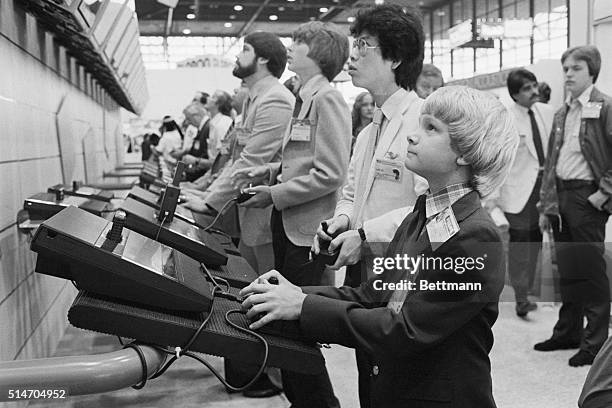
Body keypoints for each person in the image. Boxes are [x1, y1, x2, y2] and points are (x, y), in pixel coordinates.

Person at [240, 85, 519, 408]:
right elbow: (372, 296)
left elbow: (405, 329)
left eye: (431, 129)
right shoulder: (421, 214)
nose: (413, 136)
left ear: (466, 152)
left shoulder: (475, 238)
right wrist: (298, 294)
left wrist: (303, 307)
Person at [309, 5, 427, 407]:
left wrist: (365, 235)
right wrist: (341, 222)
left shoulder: (421, 122)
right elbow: (351, 192)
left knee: (396, 373)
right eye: (353, 44)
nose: (352, 55)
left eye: (363, 45)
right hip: (363, 263)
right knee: (369, 372)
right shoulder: (369, 129)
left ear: (395, 57)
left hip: (401, 265)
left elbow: (426, 208)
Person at [233, 20, 350, 408]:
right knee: (285, 324)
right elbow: (299, 160)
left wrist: (274, 193)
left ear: (317, 55)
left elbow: (331, 173)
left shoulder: (328, 99)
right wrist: (267, 173)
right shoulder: (303, 97)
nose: (292, 50)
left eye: (299, 44)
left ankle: (319, 403)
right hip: (286, 223)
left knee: (299, 327)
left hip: (305, 231)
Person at [182, 31, 294, 397]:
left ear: (262, 59)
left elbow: (252, 161)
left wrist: (211, 201)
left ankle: (271, 376)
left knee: (265, 293)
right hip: (245, 213)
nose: (237, 55)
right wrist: (205, 193)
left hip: (263, 214)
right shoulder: (253, 97)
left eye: (244, 49)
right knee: (249, 291)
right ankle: (255, 371)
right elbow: (232, 159)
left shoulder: (276, 98)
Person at [536, 45, 612, 367]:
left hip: (587, 198)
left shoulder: (605, 106)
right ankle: (567, 331)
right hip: (561, 197)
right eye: (565, 68)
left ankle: (594, 343)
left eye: (575, 68)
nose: (567, 74)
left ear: (591, 71)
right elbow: (552, 160)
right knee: (567, 269)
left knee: (590, 272)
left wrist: (604, 191)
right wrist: (545, 203)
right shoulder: (561, 112)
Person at [488, 68, 554, 317]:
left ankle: (526, 290)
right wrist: (493, 200)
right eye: (527, 88)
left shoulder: (545, 113)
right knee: (520, 247)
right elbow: (498, 162)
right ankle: (521, 297)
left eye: (534, 85)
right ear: (515, 95)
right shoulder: (506, 119)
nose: (534, 91)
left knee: (536, 244)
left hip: (543, 190)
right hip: (517, 193)